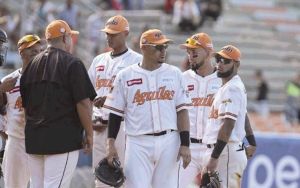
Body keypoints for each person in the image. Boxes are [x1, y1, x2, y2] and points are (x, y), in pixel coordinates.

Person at [103, 29, 192, 188]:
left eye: (165, 47)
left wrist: (185, 144)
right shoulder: (125, 76)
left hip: (169, 141)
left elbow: (182, 111)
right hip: (138, 142)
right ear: (144, 48)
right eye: (158, 47)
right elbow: (115, 114)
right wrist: (110, 144)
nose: (163, 51)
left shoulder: (175, 73)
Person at [20, 20, 96, 188]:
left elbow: (26, 108)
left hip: (34, 139)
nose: (71, 41)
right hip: (62, 140)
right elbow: (83, 103)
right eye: (70, 37)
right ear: (64, 38)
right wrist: (90, 134)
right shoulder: (72, 63)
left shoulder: (30, 65)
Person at [88, 14, 142, 188]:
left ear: (125, 33)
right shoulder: (98, 60)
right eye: (107, 33)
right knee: (101, 178)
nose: (108, 37)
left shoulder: (137, 61)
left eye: (113, 34)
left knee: (125, 178)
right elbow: (88, 93)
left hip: (123, 128)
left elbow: (139, 98)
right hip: (99, 127)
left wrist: (111, 100)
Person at [203, 45, 252, 188]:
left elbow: (228, 125)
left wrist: (214, 157)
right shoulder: (228, 86)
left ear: (237, 64)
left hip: (226, 151)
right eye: (218, 59)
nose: (220, 64)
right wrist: (252, 141)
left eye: (226, 61)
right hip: (225, 150)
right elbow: (244, 114)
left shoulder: (232, 88)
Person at [0, 34, 43, 188]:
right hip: (18, 142)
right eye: (31, 49)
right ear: (21, 52)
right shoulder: (10, 81)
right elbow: (1, 111)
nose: (36, 52)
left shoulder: (47, 80)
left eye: (38, 49)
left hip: (42, 142)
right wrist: (6, 138)